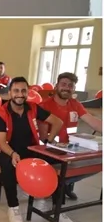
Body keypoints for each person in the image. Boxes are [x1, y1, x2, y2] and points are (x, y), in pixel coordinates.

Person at [0, 77, 74, 222]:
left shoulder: (33, 107)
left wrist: (49, 140)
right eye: (16, 90)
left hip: (31, 149)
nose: (20, 94)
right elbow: (2, 143)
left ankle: (58, 209)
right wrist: (13, 154)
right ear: (10, 93)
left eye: (23, 91)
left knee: (56, 165)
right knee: (8, 166)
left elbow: (58, 122)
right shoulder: (1, 113)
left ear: (28, 92)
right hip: (6, 150)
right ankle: (13, 207)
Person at [40, 72, 102, 200]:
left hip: (72, 150)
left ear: (73, 89)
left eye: (70, 85)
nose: (67, 88)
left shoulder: (75, 104)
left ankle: (64, 184)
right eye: (63, 84)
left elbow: (93, 122)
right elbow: (43, 137)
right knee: (64, 170)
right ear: (56, 86)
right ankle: (58, 184)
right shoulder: (45, 106)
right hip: (51, 151)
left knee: (97, 163)